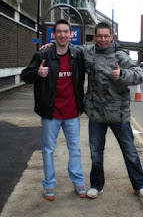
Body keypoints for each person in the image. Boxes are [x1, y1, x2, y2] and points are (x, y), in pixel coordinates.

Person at [21, 19, 87, 201]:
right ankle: (49, 184)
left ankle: (78, 182)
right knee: (48, 150)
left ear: (71, 34)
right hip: (51, 113)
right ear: (54, 34)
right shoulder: (43, 54)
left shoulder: (78, 55)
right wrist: (37, 74)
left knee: (75, 149)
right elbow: (24, 75)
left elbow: (98, 55)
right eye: (59, 31)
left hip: (72, 112)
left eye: (66, 31)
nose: (63, 35)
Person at [84, 22, 143, 199]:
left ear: (111, 37)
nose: (103, 39)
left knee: (130, 152)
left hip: (119, 114)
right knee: (95, 153)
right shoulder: (88, 53)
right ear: (95, 37)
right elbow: (69, 50)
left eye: (106, 36)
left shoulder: (121, 56)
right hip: (96, 113)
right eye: (100, 36)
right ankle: (96, 185)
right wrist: (50, 46)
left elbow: (139, 75)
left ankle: (140, 185)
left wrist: (122, 75)